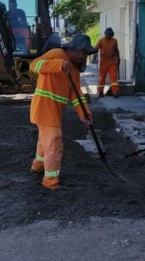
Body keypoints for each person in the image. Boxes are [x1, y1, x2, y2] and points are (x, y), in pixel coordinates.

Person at [29, 34, 96, 190]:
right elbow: (34, 65)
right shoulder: (57, 54)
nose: (84, 57)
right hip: (45, 108)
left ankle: (38, 166)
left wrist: (85, 114)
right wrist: (57, 65)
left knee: (44, 141)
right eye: (84, 53)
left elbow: (76, 94)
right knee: (54, 144)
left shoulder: (74, 70)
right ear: (75, 49)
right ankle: (50, 182)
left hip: (52, 111)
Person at [95, 27, 121, 98]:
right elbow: (96, 48)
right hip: (103, 63)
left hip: (112, 62)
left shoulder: (114, 41)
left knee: (113, 77)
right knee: (102, 78)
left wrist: (118, 59)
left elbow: (116, 51)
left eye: (110, 34)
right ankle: (100, 92)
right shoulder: (101, 41)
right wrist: (93, 54)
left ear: (112, 34)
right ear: (105, 34)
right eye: (107, 34)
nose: (108, 35)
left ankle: (115, 92)